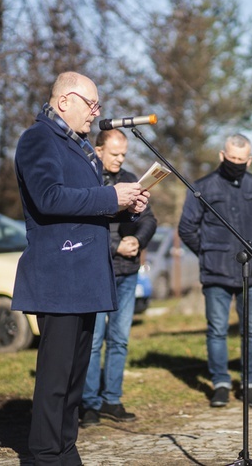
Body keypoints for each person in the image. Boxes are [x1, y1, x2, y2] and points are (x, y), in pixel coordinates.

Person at [12, 71, 149, 465]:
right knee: (55, 380)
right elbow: (50, 198)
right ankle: (44, 455)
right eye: (90, 104)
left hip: (84, 276)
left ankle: (65, 449)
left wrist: (124, 204)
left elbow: (83, 207)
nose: (96, 112)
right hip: (59, 275)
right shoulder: (37, 139)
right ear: (63, 102)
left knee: (74, 380)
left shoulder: (81, 146)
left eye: (98, 105)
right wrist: (110, 196)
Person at [178, 133, 252, 408]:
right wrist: (209, 252)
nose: (235, 163)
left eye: (241, 160)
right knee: (217, 329)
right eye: (231, 158)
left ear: (250, 160)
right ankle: (220, 383)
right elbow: (187, 228)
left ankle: (251, 384)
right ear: (222, 155)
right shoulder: (202, 187)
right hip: (216, 272)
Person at [80, 129, 157, 426]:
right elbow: (86, 225)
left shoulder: (131, 179)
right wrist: (116, 245)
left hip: (127, 272)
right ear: (98, 151)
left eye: (123, 154)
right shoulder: (88, 179)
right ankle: (88, 403)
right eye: (114, 154)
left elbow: (149, 218)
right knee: (94, 339)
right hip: (98, 272)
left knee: (120, 339)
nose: (120, 159)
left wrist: (139, 241)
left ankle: (112, 399)